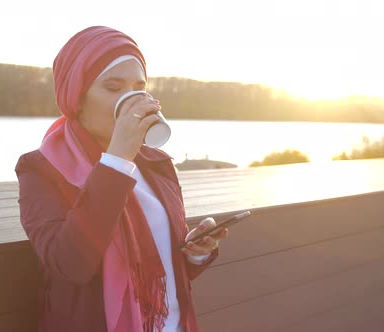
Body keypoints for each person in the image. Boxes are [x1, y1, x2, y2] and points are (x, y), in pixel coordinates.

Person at [15, 26, 228, 332]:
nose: (130, 100)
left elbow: (161, 269)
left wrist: (196, 253)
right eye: (114, 87)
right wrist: (117, 158)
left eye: (139, 88)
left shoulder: (158, 164)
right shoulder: (40, 169)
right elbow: (70, 263)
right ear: (78, 95)